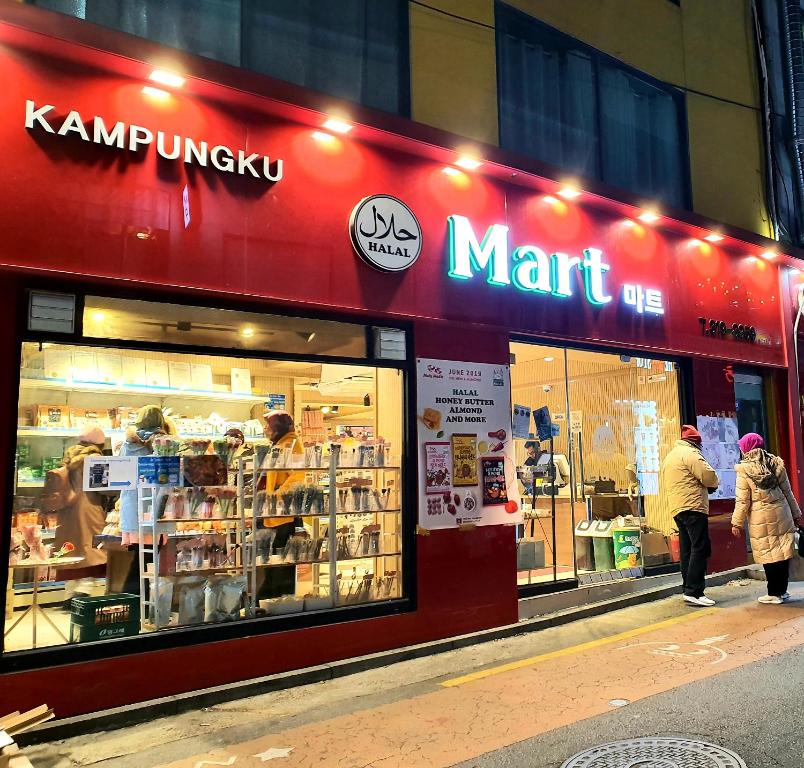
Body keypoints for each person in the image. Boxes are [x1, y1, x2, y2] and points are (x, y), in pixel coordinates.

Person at [731, 433, 801, 604]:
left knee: (768, 555)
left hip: (760, 517)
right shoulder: (776, 463)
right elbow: (788, 492)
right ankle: (782, 591)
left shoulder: (744, 469)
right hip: (782, 513)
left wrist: (736, 523)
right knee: (783, 553)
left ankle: (773, 593)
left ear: (747, 448)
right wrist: (796, 514)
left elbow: (742, 501)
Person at [661, 425, 719, 607]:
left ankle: (688, 588)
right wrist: (713, 484)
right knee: (700, 547)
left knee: (687, 549)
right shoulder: (690, 453)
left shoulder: (671, 455)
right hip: (693, 506)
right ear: (695, 441)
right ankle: (695, 591)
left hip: (677, 508)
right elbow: (707, 474)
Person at [43, 426, 110, 583]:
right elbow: (105, 489)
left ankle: (70, 596)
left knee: (70, 555)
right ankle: (82, 596)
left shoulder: (69, 457)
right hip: (89, 512)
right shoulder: (95, 460)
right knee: (90, 554)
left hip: (68, 514)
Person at [118, 405, 171, 594]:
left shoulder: (127, 445)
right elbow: (166, 476)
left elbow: (122, 476)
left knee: (140, 561)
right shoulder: (164, 442)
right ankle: (136, 605)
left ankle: (136, 604)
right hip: (153, 507)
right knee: (145, 564)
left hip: (132, 508)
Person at [258, 410, 305, 599]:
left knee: (282, 562)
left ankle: (279, 601)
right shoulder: (281, 443)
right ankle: (273, 599)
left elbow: (297, 477)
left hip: (284, 514)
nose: (266, 430)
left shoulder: (292, 444)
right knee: (274, 562)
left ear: (277, 427)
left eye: (268, 426)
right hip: (275, 514)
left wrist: (277, 497)